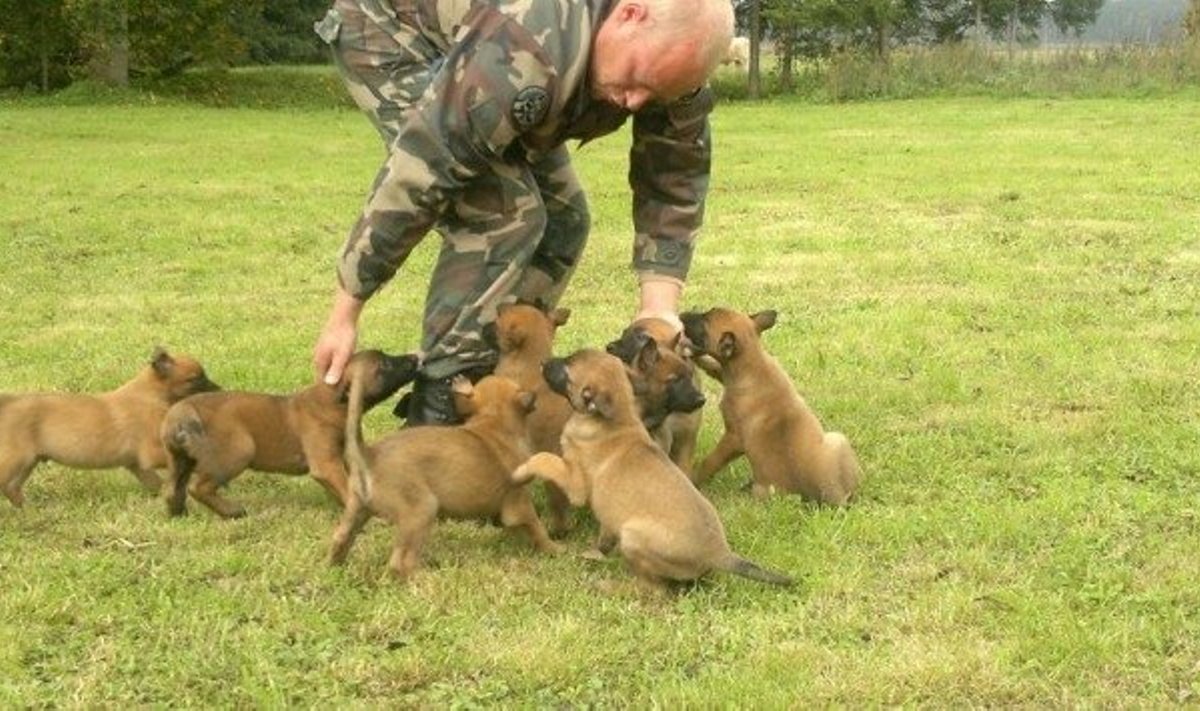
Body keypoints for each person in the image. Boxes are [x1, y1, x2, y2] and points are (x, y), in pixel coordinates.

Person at [312, 0, 734, 425]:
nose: (633, 101)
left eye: (654, 95)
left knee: (565, 219)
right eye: (636, 80)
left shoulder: (672, 63)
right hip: (392, 32)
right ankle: (440, 407)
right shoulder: (528, 43)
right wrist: (346, 309)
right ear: (630, 14)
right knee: (503, 214)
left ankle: (494, 375)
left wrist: (658, 306)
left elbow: (674, 178)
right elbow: (424, 167)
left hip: (490, 55)